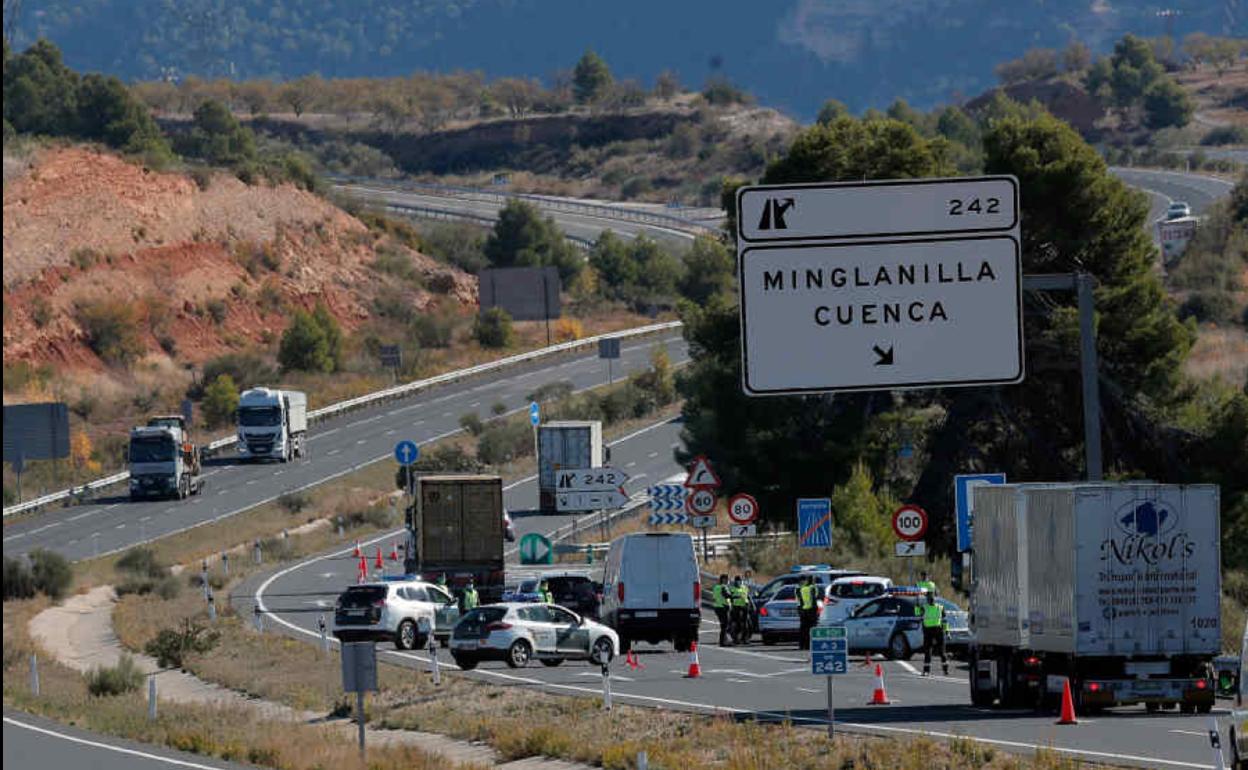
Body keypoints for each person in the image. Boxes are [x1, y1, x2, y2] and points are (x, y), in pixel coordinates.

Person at [915, 591, 948, 676]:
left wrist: (916, 605)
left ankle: (927, 671)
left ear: (928, 600)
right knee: (940, 652)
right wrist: (947, 631)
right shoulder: (940, 607)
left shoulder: (925, 608)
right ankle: (945, 670)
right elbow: (945, 621)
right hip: (937, 631)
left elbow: (917, 614)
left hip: (929, 631)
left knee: (930, 652)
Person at [797, 574, 819, 651]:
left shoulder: (799, 589)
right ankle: (810, 645)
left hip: (802, 610)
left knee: (803, 629)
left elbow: (798, 600)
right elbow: (816, 596)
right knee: (812, 629)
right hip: (811, 610)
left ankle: (802, 645)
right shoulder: (812, 588)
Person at [730, 576, 751, 644]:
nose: (739, 582)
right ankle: (736, 638)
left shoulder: (744, 587)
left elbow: (748, 596)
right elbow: (730, 597)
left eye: (740, 581)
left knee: (746, 624)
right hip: (736, 607)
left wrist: (752, 605)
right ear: (735, 581)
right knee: (737, 624)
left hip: (745, 606)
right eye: (737, 581)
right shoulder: (732, 588)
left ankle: (745, 639)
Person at [712, 574, 731, 646]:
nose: (728, 581)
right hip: (723, 608)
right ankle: (722, 642)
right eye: (727, 579)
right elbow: (727, 595)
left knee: (723, 625)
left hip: (717, 607)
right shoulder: (723, 587)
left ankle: (724, 640)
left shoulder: (716, 587)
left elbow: (714, 597)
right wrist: (734, 596)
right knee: (725, 625)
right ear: (723, 579)